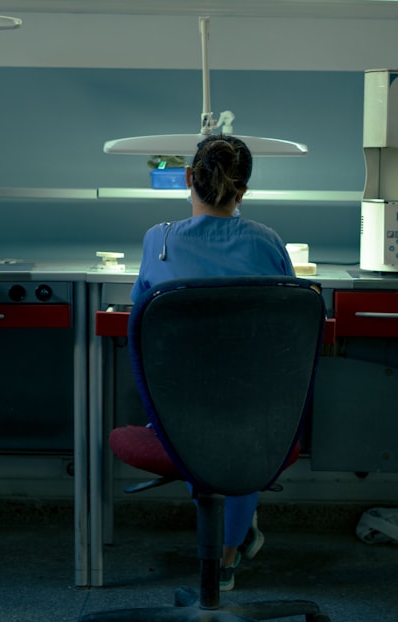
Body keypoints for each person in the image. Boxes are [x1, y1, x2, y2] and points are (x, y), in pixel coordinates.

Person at [130, 135, 295, 591]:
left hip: (179, 413)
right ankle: (227, 557)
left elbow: (141, 313)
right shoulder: (267, 243)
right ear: (243, 190)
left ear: (187, 178)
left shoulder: (157, 241)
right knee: (239, 425)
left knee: (198, 422)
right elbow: (294, 321)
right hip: (257, 414)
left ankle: (226, 548)